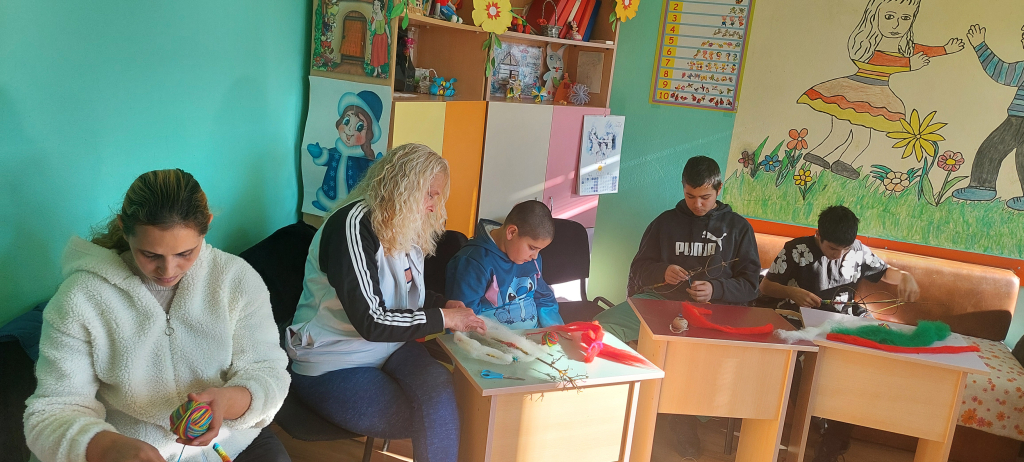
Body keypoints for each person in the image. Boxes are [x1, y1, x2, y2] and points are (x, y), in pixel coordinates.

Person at [24, 169, 291, 462]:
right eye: (150, 255)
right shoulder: (80, 298)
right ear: (123, 228)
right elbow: (52, 412)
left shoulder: (236, 281)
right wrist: (108, 448)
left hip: (230, 443)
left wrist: (227, 402)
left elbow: (269, 373)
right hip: (128, 451)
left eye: (185, 253)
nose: (168, 271)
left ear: (207, 225)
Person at [286, 143, 486, 462]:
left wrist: (446, 304)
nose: (433, 207)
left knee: (440, 398)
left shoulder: (402, 227)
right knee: (431, 417)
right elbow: (372, 321)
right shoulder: (352, 226)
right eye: (430, 195)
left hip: (390, 348)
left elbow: (404, 292)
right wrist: (445, 318)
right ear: (403, 187)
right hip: (335, 360)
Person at [594, 155, 761, 459]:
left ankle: (684, 418)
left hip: (715, 310)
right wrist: (662, 271)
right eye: (690, 196)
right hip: (662, 302)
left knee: (708, 361)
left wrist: (716, 289)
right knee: (600, 328)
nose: (697, 204)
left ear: (719, 189)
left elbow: (751, 285)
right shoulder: (664, 223)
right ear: (683, 188)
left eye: (705, 197)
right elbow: (639, 270)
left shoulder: (738, 227)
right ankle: (616, 403)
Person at [758, 205, 919, 462]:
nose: (840, 255)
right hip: (799, 318)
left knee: (862, 365)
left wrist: (905, 276)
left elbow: (884, 272)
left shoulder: (857, 250)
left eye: (846, 249)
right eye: (833, 249)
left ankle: (832, 442)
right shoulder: (796, 250)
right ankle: (817, 422)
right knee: (797, 360)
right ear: (818, 235)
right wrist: (791, 292)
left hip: (843, 319)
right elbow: (766, 286)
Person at [797, 0, 963, 180]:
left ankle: (834, 160)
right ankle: (824, 159)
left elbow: (923, 50)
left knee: (852, 136)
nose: (897, 25)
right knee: (847, 135)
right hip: (855, 91)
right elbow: (876, 60)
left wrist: (946, 49)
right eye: (889, 17)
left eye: (905, 18)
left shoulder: (904, 46)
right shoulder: (866, 42)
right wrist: (908, 64)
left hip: (873, 93)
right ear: (873, 15)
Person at [446, 200, 562, 330]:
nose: (535, 256)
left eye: (539, 250)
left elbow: (544, 299)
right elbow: (465, 320)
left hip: (534, 336)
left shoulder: (530, 259)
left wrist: (558, 331)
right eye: (532, 248)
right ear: (511, 232)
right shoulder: (473, 262)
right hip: (493, 339)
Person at [952, 24, 1024, 210]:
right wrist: (980, 46)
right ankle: (981, 187)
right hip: (1015, 119)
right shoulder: (1022, 68)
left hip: (1016, 119)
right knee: (990, 149)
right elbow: (1000, 72)